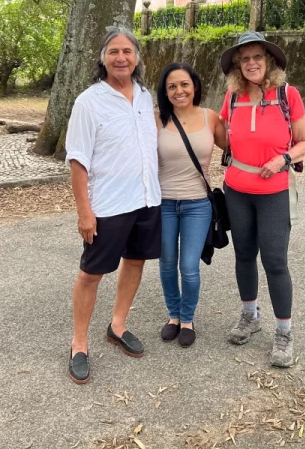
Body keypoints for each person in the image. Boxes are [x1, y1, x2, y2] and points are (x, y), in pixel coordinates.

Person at [64, 27, 161, 384]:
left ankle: (117, 326)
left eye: (128, 51)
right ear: (103, 59)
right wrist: (84, 211)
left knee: (135, 261)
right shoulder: (88, 102)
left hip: (147, 199)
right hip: (107, 206)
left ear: (137, 58)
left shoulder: (144, 95)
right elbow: (77, 161)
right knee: (91, 274)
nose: (121, 57)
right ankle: (78, 343)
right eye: (114, 52)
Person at [218, 31, 305, 368]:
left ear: (269, 61)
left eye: (257, 57)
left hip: (275, 192)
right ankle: (249, 315)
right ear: (236, 66)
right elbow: (217, 135)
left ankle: (284, 333)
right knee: (244, 255)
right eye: (244, 59)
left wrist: (283, 159)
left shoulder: (287, 95)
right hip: (237, 191)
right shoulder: (231, 99)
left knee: (274, 261)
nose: (251, 63)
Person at [156, 63, 226, 348]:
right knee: (167, 263)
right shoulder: (157, 119)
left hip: (198, 203)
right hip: (163, 203)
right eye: (171, 86)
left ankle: (187, 318)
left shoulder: (210, 118)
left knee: (189, 266)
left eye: (184, 84)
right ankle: (173, 316)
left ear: (195, 86)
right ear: (165, 91)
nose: (178, 90)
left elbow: (235, 147)